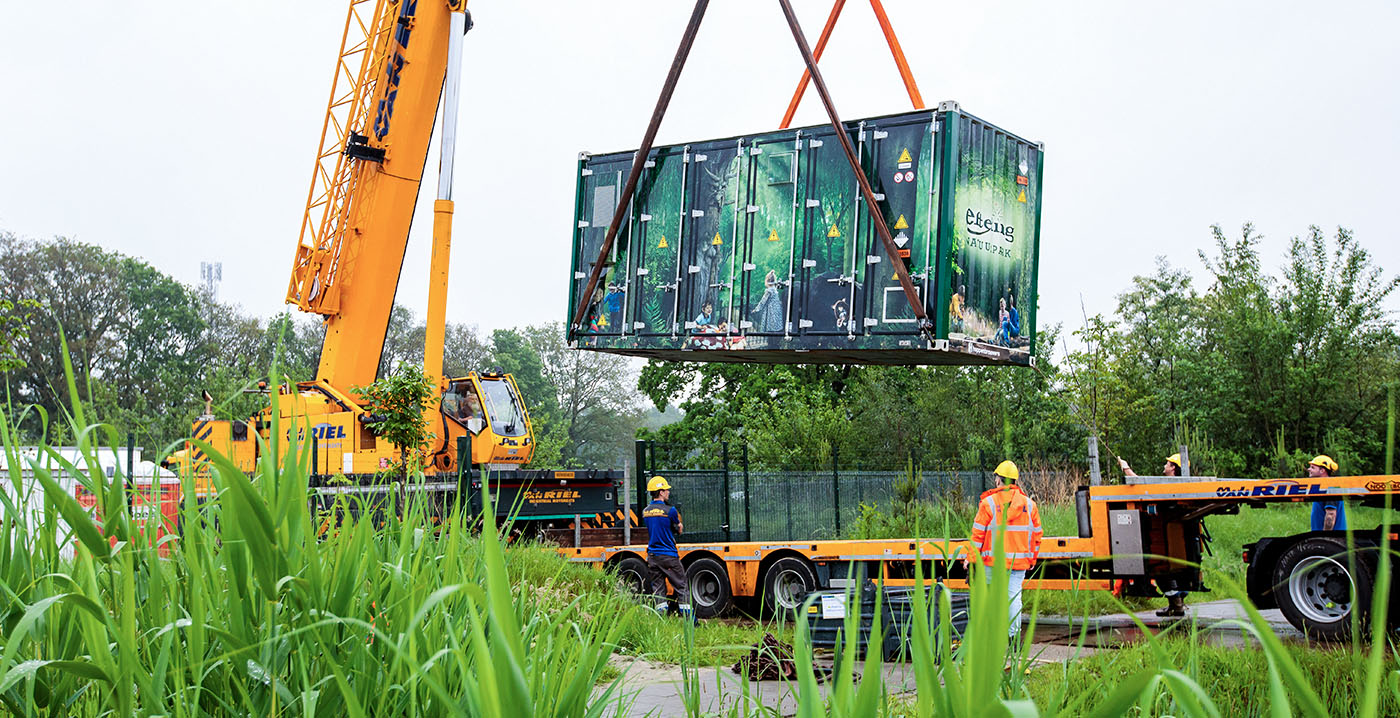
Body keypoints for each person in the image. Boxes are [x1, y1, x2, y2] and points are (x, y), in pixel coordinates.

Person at [968, 460, 1042, 638]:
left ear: (998, 480)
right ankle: (1013, 636)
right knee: (1013, 598)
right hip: (1018, 563)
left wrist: (970, 560)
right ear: (1015, 481)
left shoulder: (988, 504)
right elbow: (1036, 536)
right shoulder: (1030, 505)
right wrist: (1032, 559)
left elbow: (977, 536)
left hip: (991, 563)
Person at [1119, 453, 1189, 617]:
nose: (1164, 465)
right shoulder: (1179, 486)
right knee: (1170, 569)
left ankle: (1176, 604)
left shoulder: (1168, 484)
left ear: (1173, 467)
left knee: (1162, 570)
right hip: (1168, 535)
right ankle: (1177, 604)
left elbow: (1139, 481)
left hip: (1161, 536)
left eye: (1167, 463)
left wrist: (1125, 467)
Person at [643, 475, 691, 621]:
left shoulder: (646, 511)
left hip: (653, 556)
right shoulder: (670, 511)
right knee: (681, 586)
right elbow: (678, 529)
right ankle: (689, 621)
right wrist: (680, 526)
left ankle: (661, 620)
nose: (668, 492)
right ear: (661, 492)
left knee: (658, 589)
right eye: (666, 490)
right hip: (668, 555)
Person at [1307, 455, 1346, 531]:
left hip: (1332, 540)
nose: (1309, 469)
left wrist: (1324, 539)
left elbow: (1330, 516)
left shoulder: (1330, 487)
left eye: (1312, 467)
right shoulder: (1323, 488)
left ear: (1322, 470)